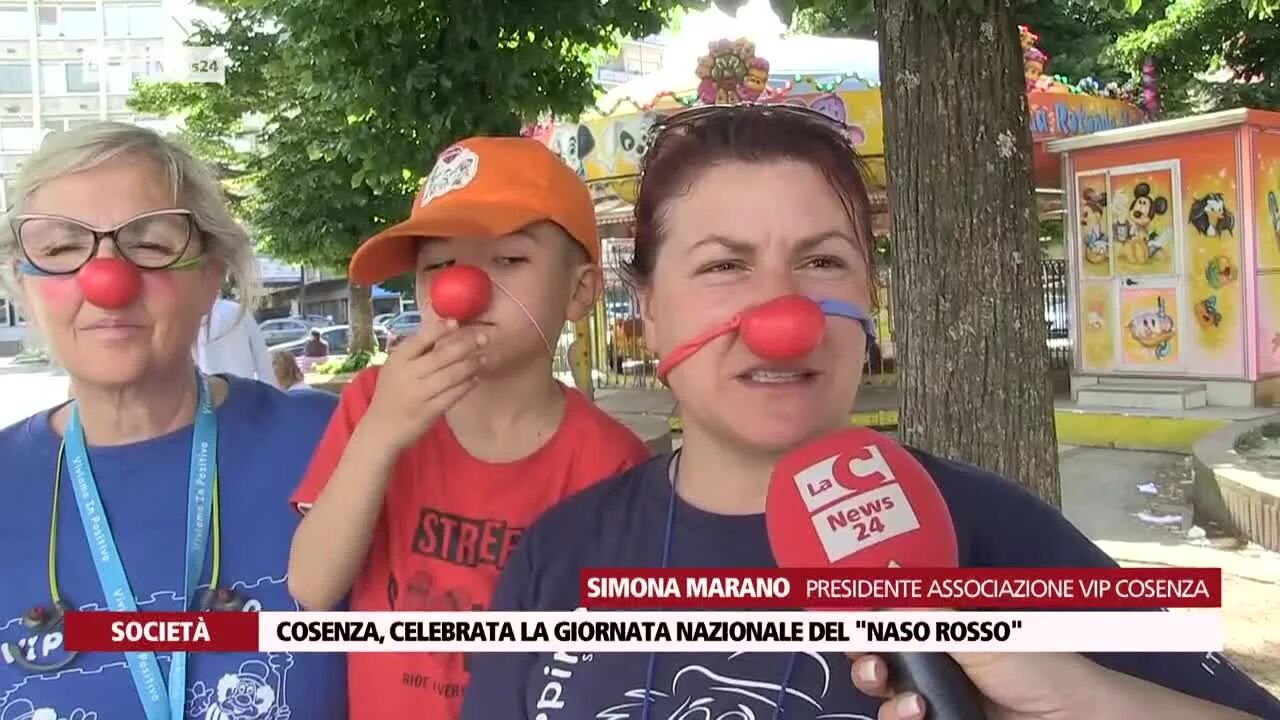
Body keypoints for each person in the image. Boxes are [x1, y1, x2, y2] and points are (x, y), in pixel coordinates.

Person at [459, 105, 1280, 719]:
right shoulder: (559, 556)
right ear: (649, 308)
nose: (783, 315)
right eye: (724, 265)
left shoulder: (992, 531)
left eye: (822, 260)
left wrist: (1087, 698)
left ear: (869, 298)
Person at [288, 136, 652, 720]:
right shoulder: (372, 404)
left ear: (581, 289)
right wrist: (382, 434)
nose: (464, 288)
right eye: (438, 265)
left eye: (508, 259)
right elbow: (311, 587)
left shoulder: (612, 464)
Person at [0, 122, 347, 717]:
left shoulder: (335, 446)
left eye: (152, 245)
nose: (107, 281)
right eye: (60, 248)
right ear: (23, 285)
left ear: (212, 278)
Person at [195, 295, 277, 386]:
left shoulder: (189, 317)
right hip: (244, 391)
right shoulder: (238, 311)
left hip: (209, 394)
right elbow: (263, 363)